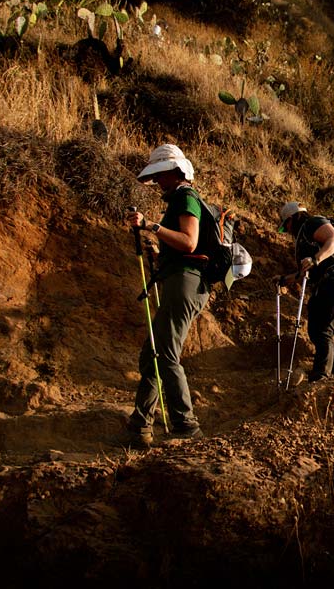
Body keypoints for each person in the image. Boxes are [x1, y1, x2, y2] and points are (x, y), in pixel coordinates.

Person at [120, 144, 207, 448]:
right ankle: (141, 424)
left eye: (160, 176)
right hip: (180, 282)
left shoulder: (185, 196)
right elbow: (180, 247)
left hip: (186, 284)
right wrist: (158, 250)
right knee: (153, 354)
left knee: (165, 354)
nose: (158, 182)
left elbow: (189, 242)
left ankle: (186, 425)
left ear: (175, 171)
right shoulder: (179, 200)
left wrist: (151, 225)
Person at [278, 201, 334, 382]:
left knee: (323, 329)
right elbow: (304, 272)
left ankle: (321, 374)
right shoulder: (304, 237)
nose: (288, 230)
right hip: (324, 284)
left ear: (294, 217)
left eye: (287, 224)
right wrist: (284, 280)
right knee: (315, 330)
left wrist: (316, 258)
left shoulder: (312, 223)